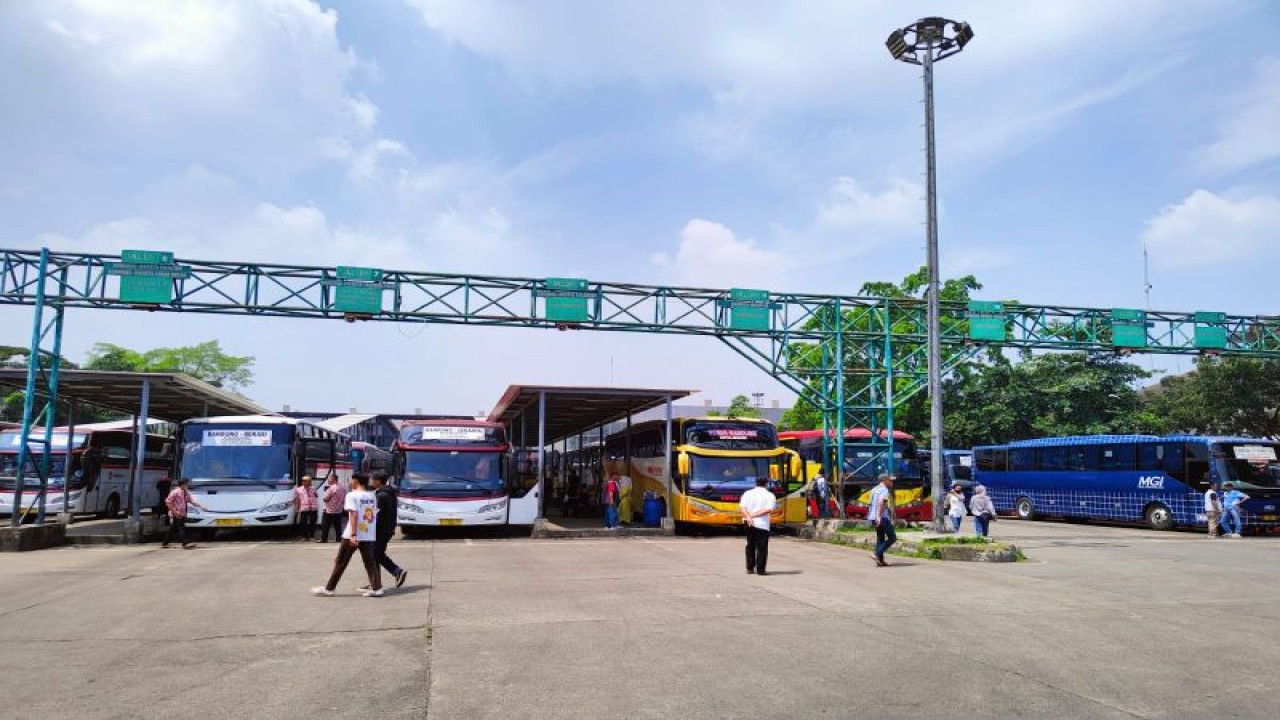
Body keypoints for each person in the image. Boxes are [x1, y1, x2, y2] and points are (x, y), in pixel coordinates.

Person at [312, 473, 383, 597]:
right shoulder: (371, 496)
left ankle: (329, 589)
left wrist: (354, 535)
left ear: (356, 481)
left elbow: (354, 514)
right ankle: (377, 588)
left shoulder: (351, 495)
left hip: (352, 534)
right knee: (370, 562)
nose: (349, 482)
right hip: (368, 533)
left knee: (341, 561)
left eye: (351, 480)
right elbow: (371, 514)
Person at [370, 472, 407, 588]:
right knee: (377, 554)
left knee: (375, 555)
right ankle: (376, 582)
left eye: (372, 479)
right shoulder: (390, 493)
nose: (371, 481)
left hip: (381, 530)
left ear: (378, 481)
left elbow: (377, 515)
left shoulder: (381, 495)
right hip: (388, 529)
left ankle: (396, 572)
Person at [739, 476, 777, 575]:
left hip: (748, 522)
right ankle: (760, 570)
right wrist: (753, 515)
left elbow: (743, 507)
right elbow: (768, 510)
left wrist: (748, 516)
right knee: (762, 547)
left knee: (750, 545)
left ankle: (749, 568)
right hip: (762, 524)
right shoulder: (770, 495)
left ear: (756, 483)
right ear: (766, 484)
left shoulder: (747, 493)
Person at [162, 478, 205, 549]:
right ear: (183, 484)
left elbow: (191, 501)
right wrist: (174, 512)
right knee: (181, 528)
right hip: (176, 512)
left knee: (172, 528)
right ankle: (185, 543)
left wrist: (201, 506)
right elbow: (168, 502)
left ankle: (165, 543)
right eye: (187, 484)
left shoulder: (185, 492)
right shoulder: (175, 492)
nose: (188, 485)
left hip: (182, 513)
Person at [868, 473, 896, 567]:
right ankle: (876, 554)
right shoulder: (884, 490)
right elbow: (881, 503)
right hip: (881, 517)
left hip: (873, 516)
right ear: (884, 480)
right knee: (892, 537)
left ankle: (880, 560)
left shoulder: (874, 489)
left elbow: (871, 504)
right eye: (890, 480)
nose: (891, 482)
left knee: (880, 538)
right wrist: (879, 517)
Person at [318, 474, 346, 543]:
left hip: (329, 510)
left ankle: (324, 539)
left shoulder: (331, 488)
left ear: (334, 480)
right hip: (338, 510)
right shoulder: (342, 488)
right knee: (338, 526)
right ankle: (338, 538)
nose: (328, 481)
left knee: (325, 525)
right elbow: (344, 499)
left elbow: (325, 498)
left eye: (329, 479)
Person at [293, 475, 318, 540]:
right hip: (304, 508)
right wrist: (296, 508)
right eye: (303, 481)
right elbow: (297, 499)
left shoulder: (313, 488)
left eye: (306, 481)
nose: (304, 482)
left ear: (309, 482)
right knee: (303, 523)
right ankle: (305, 536)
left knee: (313, 522)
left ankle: (312, 535)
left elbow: (316, 496)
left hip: (313, 507)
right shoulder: (298, 489)